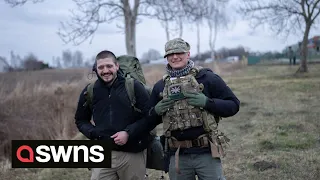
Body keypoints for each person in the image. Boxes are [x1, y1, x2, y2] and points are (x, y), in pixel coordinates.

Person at [140, 38, 240, 180]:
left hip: (206, 152)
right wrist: (156, 111)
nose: (175, 57)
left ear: (188, 54)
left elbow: (233, 105)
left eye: (179, 53)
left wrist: (207, 102)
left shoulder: (207, 78)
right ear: (166, 58)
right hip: (177, 155)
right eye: (170, 54)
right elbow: (147, 120)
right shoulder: (160, 86)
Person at [74, 50, 151, 180]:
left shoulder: (134, 86)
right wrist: (94, 133)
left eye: (109, 66)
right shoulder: (90, 91)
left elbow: (149, 118)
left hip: (133, 153)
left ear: (117, 66)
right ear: (96, 69)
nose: (105, 71)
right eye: (101, 67)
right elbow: (80, 120)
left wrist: (128, 133)